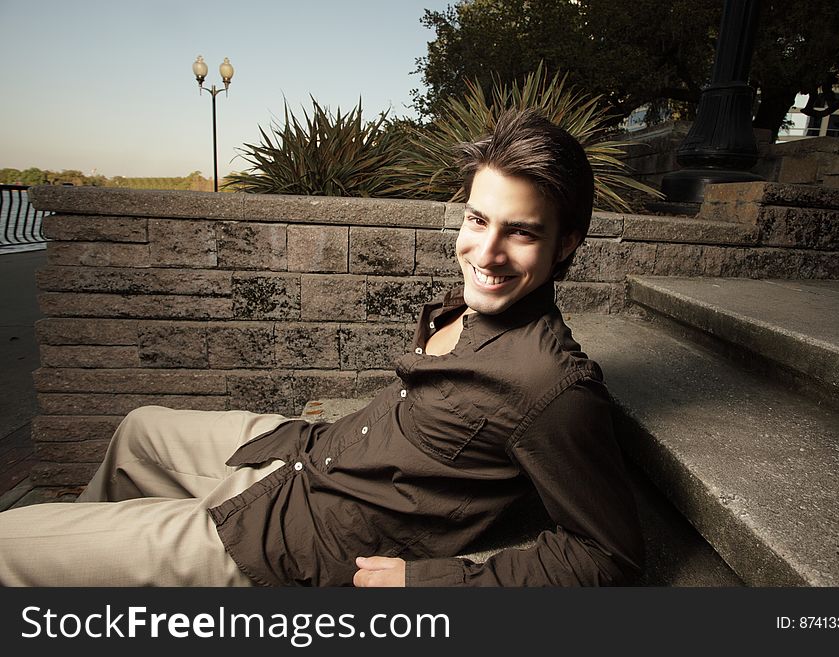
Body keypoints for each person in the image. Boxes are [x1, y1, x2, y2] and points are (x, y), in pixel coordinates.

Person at [0, 109, 644, 587]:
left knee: (11, 544)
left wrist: (426, 584)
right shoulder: (473, 304)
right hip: (314, 454)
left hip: (295, 541)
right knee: (138, 431)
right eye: (478, 219)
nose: (485, 252)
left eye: (521, 232)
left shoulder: (551, 386)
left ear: (565, 245)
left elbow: (605, 555)